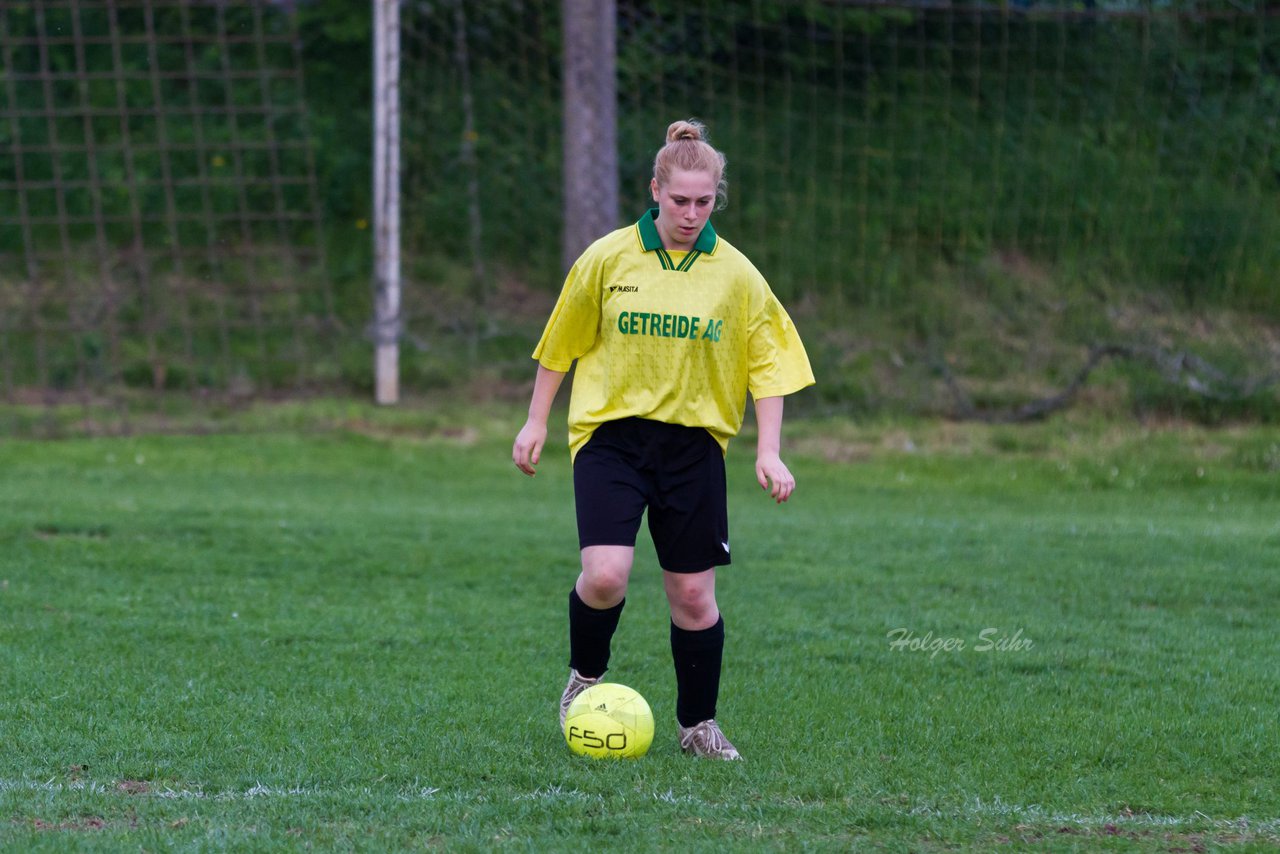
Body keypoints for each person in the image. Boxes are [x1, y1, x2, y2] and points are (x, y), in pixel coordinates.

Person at [512, 119, 814, 760]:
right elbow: (559, 346)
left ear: (717, 199)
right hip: (612, 440)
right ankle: (584, 680)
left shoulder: (737, 276)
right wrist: (537, 421)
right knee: (605, 576)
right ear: (655, 189)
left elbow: (770, 364)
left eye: (705, 202)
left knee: (694, 596)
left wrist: (768, 449)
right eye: (680, 200)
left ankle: (697, 726)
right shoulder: (608, 256)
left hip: (693, 448)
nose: (691, 213)